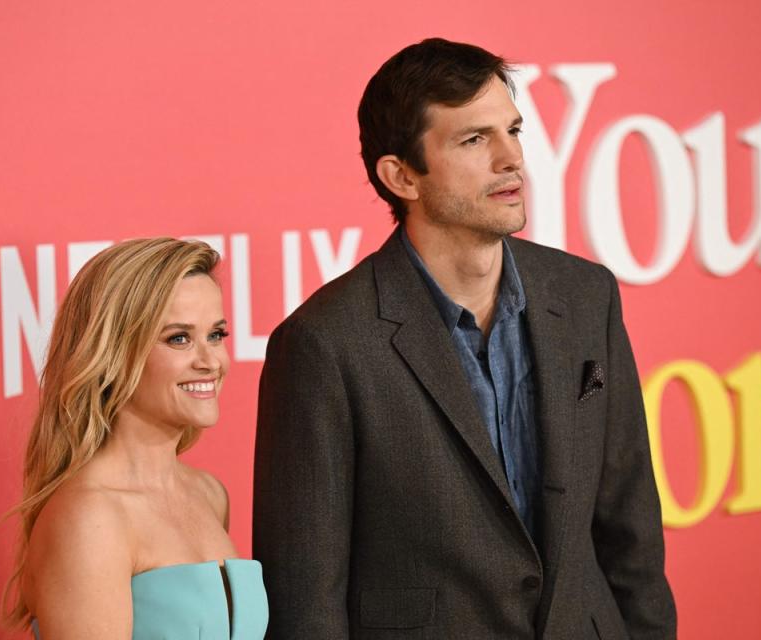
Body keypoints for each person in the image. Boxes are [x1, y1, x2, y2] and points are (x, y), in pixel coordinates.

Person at [253, 38, 676, 638]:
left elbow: (630, 531)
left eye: (514, 131)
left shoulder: (586, 296)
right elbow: (306, 600)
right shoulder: (324, 345)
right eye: (475, 140)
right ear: (401, 176)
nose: (512, 160)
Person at [2, 238, 268, 640]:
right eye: (179, 338)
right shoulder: (89, 517)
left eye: (216, 334)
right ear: (113, 354)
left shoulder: (209, 494)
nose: (210, 361)